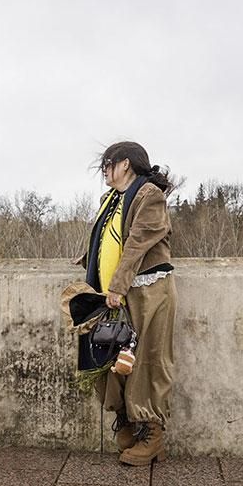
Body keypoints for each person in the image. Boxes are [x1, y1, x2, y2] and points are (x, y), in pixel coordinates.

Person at [81, 141, 177, 466]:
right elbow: (108, 236)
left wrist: (118, 286)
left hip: (147, 290)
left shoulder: (149, 195)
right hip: (116, 293)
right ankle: (125, 419)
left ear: (126, 164)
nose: (105, 171)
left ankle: (153, 434)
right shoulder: (112, 198)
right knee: (109, 356)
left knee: (148, 357)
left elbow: (136, 244)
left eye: (108, 164)